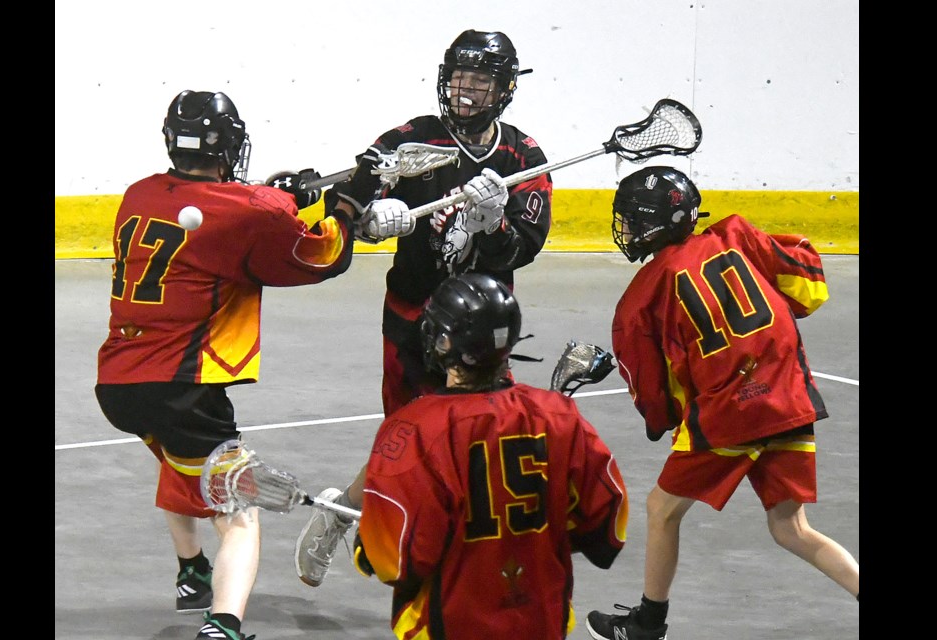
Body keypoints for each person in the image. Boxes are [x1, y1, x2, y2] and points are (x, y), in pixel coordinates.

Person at [94, 89, 411, 640]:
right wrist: (348, 203)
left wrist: (277, 194)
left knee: (179, 462)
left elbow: (230, 211)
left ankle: (192, 572)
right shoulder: (246, 212)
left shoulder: (138, 194)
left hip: (119, 382)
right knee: (238, 511)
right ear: (231, 144)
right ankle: (224, 625)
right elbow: (320, 256)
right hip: (184, 386)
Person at [294, 29, 553, 588]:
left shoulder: (523, 158)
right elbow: (356, 195)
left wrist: (494, 223)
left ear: (503, 89)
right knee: (406, 439)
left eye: (479, 83)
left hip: (482, 325)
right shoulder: (412, 139)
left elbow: (524, 249)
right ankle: (343, 512)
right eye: (458, 80)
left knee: (475, 439)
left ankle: (452, 554)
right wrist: (369, 220)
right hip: (413, 315)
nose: (464, 93)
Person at [584, 167, 860, 640]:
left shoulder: (640, 300)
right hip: (791, 398)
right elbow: (809, 288)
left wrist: (670, 421)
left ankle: (648, 625)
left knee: (661, 509)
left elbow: (656, 401)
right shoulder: (735, 234)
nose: (624, 229)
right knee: (790, 527)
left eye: (630, 219)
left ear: (652, 224)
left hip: (732, 414)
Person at [352, 272, 629, 639]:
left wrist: (363, 548)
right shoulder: (559, 417)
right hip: (542, 623)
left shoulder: (414, 430)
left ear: (444, 342)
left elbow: (398, 561)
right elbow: (608, 524)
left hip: (449, 626)